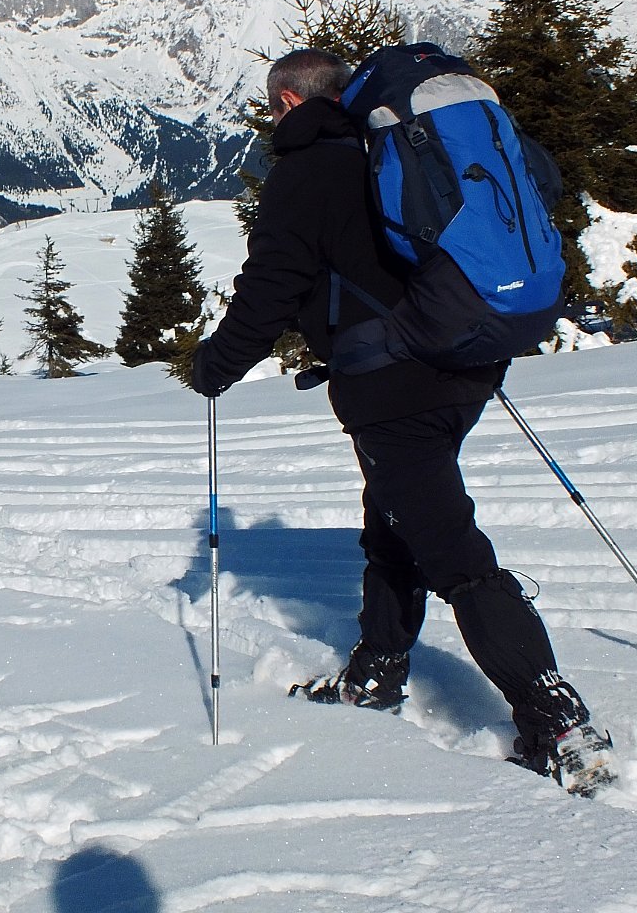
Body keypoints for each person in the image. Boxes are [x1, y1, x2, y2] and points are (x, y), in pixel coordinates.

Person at [189, 47, 614, 794]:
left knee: (451, 549)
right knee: (394, 516)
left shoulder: (308, 171)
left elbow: (271, 287)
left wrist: (216, 364)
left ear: (289, 102)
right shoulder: (387, 142)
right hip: (467, 365)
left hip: (393, 387)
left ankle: (555, 717)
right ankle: (376, 672)